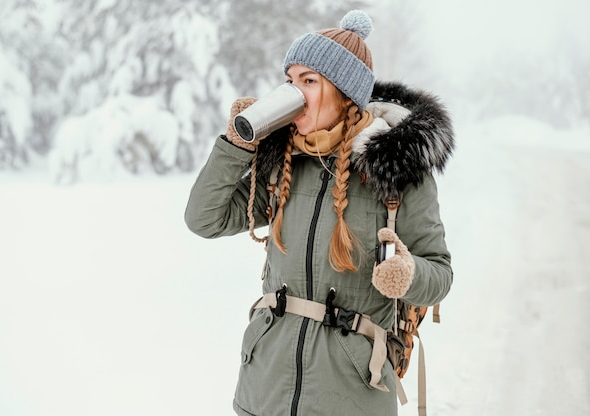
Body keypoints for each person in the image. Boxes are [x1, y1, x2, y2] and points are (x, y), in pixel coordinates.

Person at [185, 10, 454, 416]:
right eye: (290, 81)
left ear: (344, 91)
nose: (295, 92)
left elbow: (441, 274)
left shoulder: (397, 173)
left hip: (351, 396)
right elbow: (204, 218)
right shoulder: (282, 166)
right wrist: (236, 144)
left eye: (309, 81)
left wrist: (408, 272)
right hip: (264, 394)